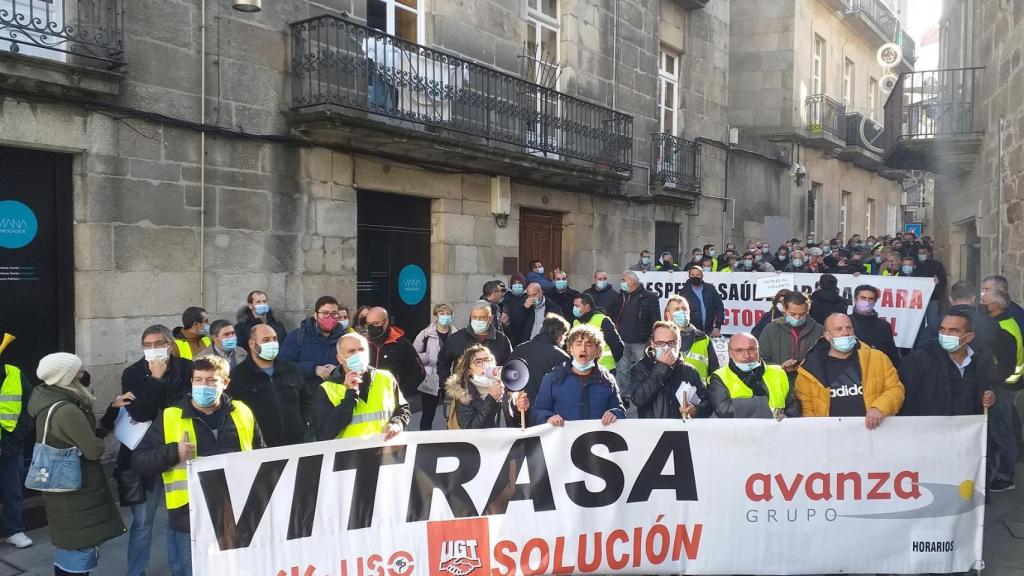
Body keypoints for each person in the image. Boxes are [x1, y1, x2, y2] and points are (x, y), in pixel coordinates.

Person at [132, 356, 263, 576]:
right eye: (198, 380)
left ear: (225, 383)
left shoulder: (242, 412)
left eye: (211, 380)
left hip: (237, 515)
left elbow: (262, 456)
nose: (204, 386)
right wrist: (174, 452)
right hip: (189, 519)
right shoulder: (170, 416)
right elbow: (140, 461)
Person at [97, 325, 190, 576]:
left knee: (180, 519)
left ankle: (181, 570)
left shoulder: (186, 369)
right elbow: (140, 412)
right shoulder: (134, 372)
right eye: (147, 345)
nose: (152, 349)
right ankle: (136, 572)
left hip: (180, 452)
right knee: (142, 522)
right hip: (145, 455)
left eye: (158, 344)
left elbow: (187, 406)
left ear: (170, 345)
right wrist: (156, 379)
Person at [30, 353, 125, 576]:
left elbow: (86, 435)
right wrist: (99, 445)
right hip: (76, 491)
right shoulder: (67, 410)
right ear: (67, 376)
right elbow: (92, 449)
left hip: (65, 489)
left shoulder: (50, 399)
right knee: (79, 550)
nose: (84, 374)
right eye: (79, 371)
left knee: (70, 547)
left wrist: (112, 410)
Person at [794, 314, 904, 428]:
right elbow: (806, 409)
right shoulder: (810, 369)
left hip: (873, 434)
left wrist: (880, 408)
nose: (846, 332)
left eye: (849, 328)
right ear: (827, 336)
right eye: (839, 329)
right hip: (830, 437)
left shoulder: (877, 358)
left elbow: (896, 389)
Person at [313, 333, 411, 440]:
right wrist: (349, 397)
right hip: (348, 454)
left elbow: (403, 409)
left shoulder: (385, 377)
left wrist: (397, 424)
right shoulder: (327, 389)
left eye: (361, 349)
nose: (358, 354)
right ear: (340, 359)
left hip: (384, 451)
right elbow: (324, 432)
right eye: (351, 351)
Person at [899, 310, 996, 417]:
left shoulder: (980, 362)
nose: (945, 334)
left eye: (953, 330)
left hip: (965, 429)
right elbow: (905, 399)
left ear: (969, 336)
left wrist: (989, 397)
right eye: (942, 329)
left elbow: (985, 390)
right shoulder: (919, 359)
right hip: (927, 430)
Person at [229, 324, 311, 447]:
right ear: (252, 344)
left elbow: (306, 398)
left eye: (274, 339)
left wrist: (307, 423)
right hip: (261, 446)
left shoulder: (289, 369)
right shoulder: (239, 375)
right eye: (266, 340)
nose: (272, 343)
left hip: (297, 443)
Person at [531, 324, 626, 426]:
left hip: (597, 440)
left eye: (588, 345)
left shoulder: (607, 380)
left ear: (598, 351)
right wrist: (547, 417)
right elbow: (537, 411)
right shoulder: (552, 379)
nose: (583, 349)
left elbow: (620, 409)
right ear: (570, 349)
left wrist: (615, 413)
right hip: (564, 441)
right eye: (578, 344)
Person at [707, 333, 801, 418]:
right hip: (740, 434)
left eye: (751, 349)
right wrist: (769, 411)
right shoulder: (719, 377)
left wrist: (786, 415)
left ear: (758, 350)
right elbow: (724, 410)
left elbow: (795, 404)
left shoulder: (778, 372)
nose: (747, 356)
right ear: (730, 353)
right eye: (739, 350)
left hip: (776, 432)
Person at [629, 321, 709, 419]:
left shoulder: (689, 371)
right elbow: (638, 399)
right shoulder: (641, 368)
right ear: (653, 344)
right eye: (660, 343)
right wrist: (661, 367)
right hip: (655, 432)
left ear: (679, 344)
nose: (666, 348)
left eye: (671, 343)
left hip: (683, 431)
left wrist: (696, 410)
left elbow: (707, 404)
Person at [447, 345, 530, 429]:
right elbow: (471, 428)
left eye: (487, 360)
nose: (485, 365)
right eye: (478, 362)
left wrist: (520, 410)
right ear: (469, 370)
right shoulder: (463, 393)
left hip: (506, 440)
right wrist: (491, 399)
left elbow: (514, 422)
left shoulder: (504, 387)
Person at [0, 343, 32, 549]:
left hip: (9, 446)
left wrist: (18, 434)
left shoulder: (14, 373)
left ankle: (14, 531)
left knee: (13, 491)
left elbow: (30, 405)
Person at [279, 296, 348, 392]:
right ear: (316, 315)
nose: (330, 317)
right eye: (325, 313)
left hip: (336, 398)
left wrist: (338, 370)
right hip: (305, 397)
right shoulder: (297, 336)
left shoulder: (345, 339)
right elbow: (283, 366)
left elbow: (353, 367)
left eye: (334, 314)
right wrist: (314, 369)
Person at [436, 301, 513, 385]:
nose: (478, 320)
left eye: (482, 318)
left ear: (490, 318)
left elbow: (509, 367)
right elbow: (442, 362)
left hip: (492, 393)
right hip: (462, 394)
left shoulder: (502, 340)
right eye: (474, 317)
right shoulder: (457, 338)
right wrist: (447, 385)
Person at [511, 315, 572, 411]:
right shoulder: (560, 356)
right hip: (546, 412)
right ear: (560, 334)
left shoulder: (519, 349)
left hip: (519, 407)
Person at [615, 271, 661, 397]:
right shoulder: (622, 297)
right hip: (623, 341)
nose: (622, 283)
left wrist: (652, 338)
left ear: (632, 281)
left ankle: (645, 393)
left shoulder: (650, 297)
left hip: (641, 342)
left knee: (644, 369)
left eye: (624, 280)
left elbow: (656, 320)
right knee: (622, 370)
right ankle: (626, 395)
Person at [758, 291, 824, 375]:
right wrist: (781, 367)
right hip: (780, 382)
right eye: (793, 314)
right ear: (785, 310)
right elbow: (761, 359)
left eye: (802, 314)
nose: (797, 318)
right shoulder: (771, 330)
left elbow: (824, 360)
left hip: (808, 383)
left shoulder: (819, 331)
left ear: (808, 310)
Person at [364, 307, 425, 397]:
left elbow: (419, 372)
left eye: (375, 323)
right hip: (367, 399)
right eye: (368, 324)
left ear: (386, 321)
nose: (371, 327)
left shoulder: (402, 344)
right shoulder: (363, 343)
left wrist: (400, 393)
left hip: (393, 400)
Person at [414, 304, 454, 430]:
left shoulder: (456, 334)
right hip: (430, 377)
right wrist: (426, 358)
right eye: (442, 313)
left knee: (451, 412)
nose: (445, 316)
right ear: (435, 316)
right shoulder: (425, 334)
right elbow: (413, 354)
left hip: (450, 377)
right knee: (428, 412)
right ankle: (424, 439)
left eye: (448, 314)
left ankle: (452, 438)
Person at [663, 294, 719, 382]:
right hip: (669, 393)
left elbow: (714, 372)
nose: (681, 312)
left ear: (689, 311)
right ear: (668, 314)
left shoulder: (703, 339)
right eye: (677, 309)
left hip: (698, 393)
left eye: (684, 309)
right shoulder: (660, 339)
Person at [571, 293, 624, 374]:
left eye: (577, 306)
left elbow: (616, 344)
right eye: (574, 306)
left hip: (606, 367)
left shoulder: (602, 319)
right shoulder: (576, 322)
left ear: (587, 306)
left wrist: (614, 361)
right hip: (585, 368)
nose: (574, 308)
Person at [850, 285, 900, 366]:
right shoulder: (845, 322)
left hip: (876, 369)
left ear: (874, 302)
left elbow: (892, 355)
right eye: (863, 298)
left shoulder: (884, 326)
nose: (867, 301)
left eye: (871, 299)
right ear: (855, 299)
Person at [681, 266, 724, 337]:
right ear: (689, 276)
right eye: (693, 275)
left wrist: (717, 327)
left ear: (702, 276)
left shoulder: (710, 289)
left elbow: (719, 307)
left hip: (709, 331)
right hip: (691, 332)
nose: (695, 277)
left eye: (698, 275)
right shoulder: (684, 292)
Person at [912, 244, 947, 333]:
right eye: (919, 253)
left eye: (923, 252)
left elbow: (943, 281)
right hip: (916, 300)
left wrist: (938, 283)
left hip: (932, 298)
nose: (921, 254)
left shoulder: (936, 265)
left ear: (928, 253)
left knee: (933, 321)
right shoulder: (914, 265)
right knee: (917, 323)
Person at [501, 273, 529, 346]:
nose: (517, 285)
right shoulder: (507, 298)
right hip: (511, 333)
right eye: (514, 283)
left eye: (519, 283)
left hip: (525, 334)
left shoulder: (528, 298)